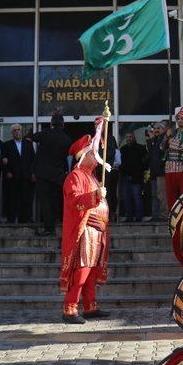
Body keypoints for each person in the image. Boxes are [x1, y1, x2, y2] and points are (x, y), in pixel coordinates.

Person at [61, 135, 111, 324]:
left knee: (91, 271)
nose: (96, 155)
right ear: (83, 156)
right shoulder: (74, 176)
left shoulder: (91, 176)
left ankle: (90, 306)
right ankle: (70, 308)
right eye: (92, 152)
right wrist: (95, 195)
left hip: (98, 230)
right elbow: (74, 201)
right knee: (82, 270)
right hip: (86, 230)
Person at [33, 112, 72, 236]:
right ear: (63, 125)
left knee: (45, 201)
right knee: (55, 200)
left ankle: (48, 228)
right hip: (58, 175)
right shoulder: (67, 139)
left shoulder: (45, 134)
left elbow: (33, 137)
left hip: (43, 174)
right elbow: (67, 156)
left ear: (51, 123)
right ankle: (56, 222)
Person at [3, 123, 36, 223]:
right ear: (12, 133)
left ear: (21, 132)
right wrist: (7, 172)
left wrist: (33, 173)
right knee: (12, 199)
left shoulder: (28, 144)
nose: (17, 132)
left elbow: (33, 160)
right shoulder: (7, 144)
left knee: (26, 199)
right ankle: (11, 219)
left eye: (18, 130)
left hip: (26, 176)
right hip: (13, 176)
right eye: (14, 130)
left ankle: (25, 219)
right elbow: (4, 160)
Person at [162, 106, 183, 209]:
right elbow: (162, 147)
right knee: (170, 195)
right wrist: (166, 136)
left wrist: (171, 142)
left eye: (182, 118)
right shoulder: (173, 132)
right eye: (178, 119)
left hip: (182, 167)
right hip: (169, 168)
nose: (180, 120)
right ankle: (172, 215)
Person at [119, 132, 147, 222]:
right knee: (127, 198)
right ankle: (129, 217)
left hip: (137, 177)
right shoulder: (123, 149)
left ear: (134, 138)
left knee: (137, 197)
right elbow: (120, 163)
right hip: (125, 177)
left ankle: (139, 217)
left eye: (130, 137)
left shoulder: (141, 148)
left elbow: (145, 162)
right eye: (127, 137)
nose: (129, 138)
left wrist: (139, 172)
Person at [146, 122, 167, 221]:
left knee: (161, 195)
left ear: (164, 130)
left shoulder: (164, 139)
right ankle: (155, 215)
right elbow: (150, 154)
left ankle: (163, 215)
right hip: (154, 172)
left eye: (159, 128)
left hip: (161, 172)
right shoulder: (155, 140)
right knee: (154, 195)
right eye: (155, 128)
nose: (156, 130)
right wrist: (150, 140)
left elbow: (162, 153)